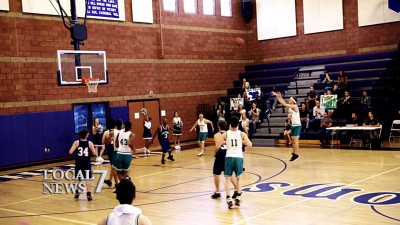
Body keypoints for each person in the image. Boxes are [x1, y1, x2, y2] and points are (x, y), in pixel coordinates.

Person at [216, 116, 252, 209]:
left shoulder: (225, 134)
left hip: (229, 157)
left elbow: (218, 145)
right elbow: (250, 145)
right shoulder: (241, 134)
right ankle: (238, 196)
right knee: (239, 178)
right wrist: (242, 141)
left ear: (229, 124)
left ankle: (228, 198)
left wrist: (225, 143)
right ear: (238, 124)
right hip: (239, 157)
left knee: (227, 178)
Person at [68, 129, 98, 201]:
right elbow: (94, 153)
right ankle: (88, 194)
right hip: (86, 162)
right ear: (86, 135)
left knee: (78, 178)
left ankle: (77, 192)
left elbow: (70, 152)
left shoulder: (76, 142)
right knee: (88, 178)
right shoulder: (90, 143)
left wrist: (77, 152)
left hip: (78, 162)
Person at [211, 120, 238, 199]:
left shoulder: (216, 135)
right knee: (230, 174)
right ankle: (237, 189)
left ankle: (217, 191)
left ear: (218, 126)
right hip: (228, 154)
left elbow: (217, 146)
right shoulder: (229, 134)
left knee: (216, 173)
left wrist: (215, 153)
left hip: (220, 155)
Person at [272, 92, 301, 162]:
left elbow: (284, 104)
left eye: (290, 99)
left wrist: (279, 97)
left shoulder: (295, 106)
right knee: (293, 141)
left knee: (296, 141)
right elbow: (289, 115)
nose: (289, 100)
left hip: (297, 125)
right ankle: (294, 153)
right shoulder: (290, 108)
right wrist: (289, 118)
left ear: (293, 101)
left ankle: (296, 154)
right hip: (293, 125)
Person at [102, 120, 118, 188]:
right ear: (115, 125)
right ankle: (110, 180)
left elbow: (102, 142)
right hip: (116, 149)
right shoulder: (117, 132)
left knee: (113, 166)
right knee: (114, 166)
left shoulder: (106, 132)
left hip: (110, 149)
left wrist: (108, 140)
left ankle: (114, 182)